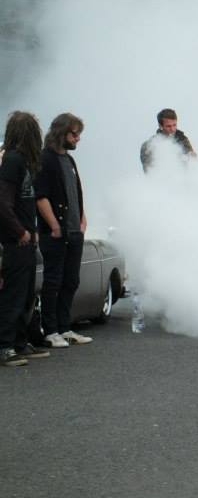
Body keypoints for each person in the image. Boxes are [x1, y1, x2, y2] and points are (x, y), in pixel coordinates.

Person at [34, 113, 92, 347]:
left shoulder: (69, 160)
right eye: (74, 134)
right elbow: (41, 196)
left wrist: (82, 218)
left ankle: (64, 327)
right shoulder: (45, 159)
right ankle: (50, 330)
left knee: (71, 280)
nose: (78, 139)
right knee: (53, 281)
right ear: (61, 133)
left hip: (74, 231)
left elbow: (75, 192)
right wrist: (54, 225)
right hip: (56, 233)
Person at [0, 112, 50, 367]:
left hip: (27, 239)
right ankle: (5, 346)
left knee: (26, 293)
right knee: (14, 294)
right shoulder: (12, 161)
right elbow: (3, 203)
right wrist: (19, 231)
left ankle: (20, 342)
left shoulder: (23, 162)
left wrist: (31, 231)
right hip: (16, 241)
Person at [140, 108, 197, 172]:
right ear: (160, 126)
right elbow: (149, 171)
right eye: (168, 126)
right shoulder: (149, 146)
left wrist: (192, 157)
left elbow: (192, 162)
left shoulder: (182, 140)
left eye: (174, 125)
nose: (172, 129)